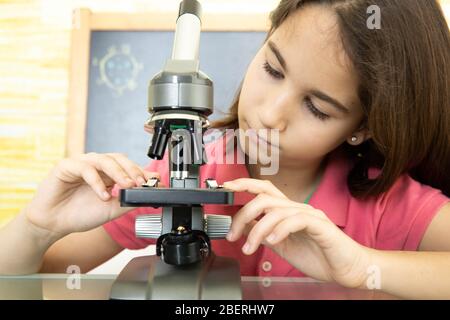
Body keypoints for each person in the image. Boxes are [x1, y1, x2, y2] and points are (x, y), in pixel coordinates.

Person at [1, 0, 449, 299]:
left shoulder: (388, 205)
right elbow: (23, 278)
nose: (270, 114)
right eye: (273, 69)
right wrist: (36, 227)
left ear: (363, 128)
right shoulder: (182, 175)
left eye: (316, 106)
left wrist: (359, 265)